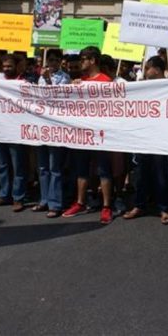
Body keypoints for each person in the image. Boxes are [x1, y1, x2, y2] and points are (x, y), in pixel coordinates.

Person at [62, 46, 115, 225]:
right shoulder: (80, 82)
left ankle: (107, 206)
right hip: (83, 133)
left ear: (92, 60)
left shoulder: (106, 82)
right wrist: (72, 89)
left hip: (100, 133)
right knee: (81, 168)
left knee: (103, 170)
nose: (81, 62)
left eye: (84, 59)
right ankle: (80, 202)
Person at [123, 56, 168, 225]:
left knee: (161, 174)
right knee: (141, 173)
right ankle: (139, 205)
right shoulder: (142, 86)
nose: (145, 72)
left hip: (161, 137)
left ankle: (164, 208)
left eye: (147, 68)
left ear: (157, 70)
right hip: (143, 138)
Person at [33, 49, 69, 218]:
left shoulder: (65, 78)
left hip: (56, 126)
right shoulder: (40, 77)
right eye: (50, 60)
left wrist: (48, 80)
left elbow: (56, 98)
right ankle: (44, 200)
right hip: (42, 125)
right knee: (42, 167)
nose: (52, 63)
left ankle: (55, 203)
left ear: (60, 61)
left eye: (55, 60)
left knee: (55, 167)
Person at [0, 55, 27, 212]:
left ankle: (18, 198)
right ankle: (4, 194)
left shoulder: (24, 84)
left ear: (17, 67)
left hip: (16, 131)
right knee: (2, 165)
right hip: (0, 130)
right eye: (4, 66)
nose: (6, 69)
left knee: (18, 166)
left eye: (9, 66)